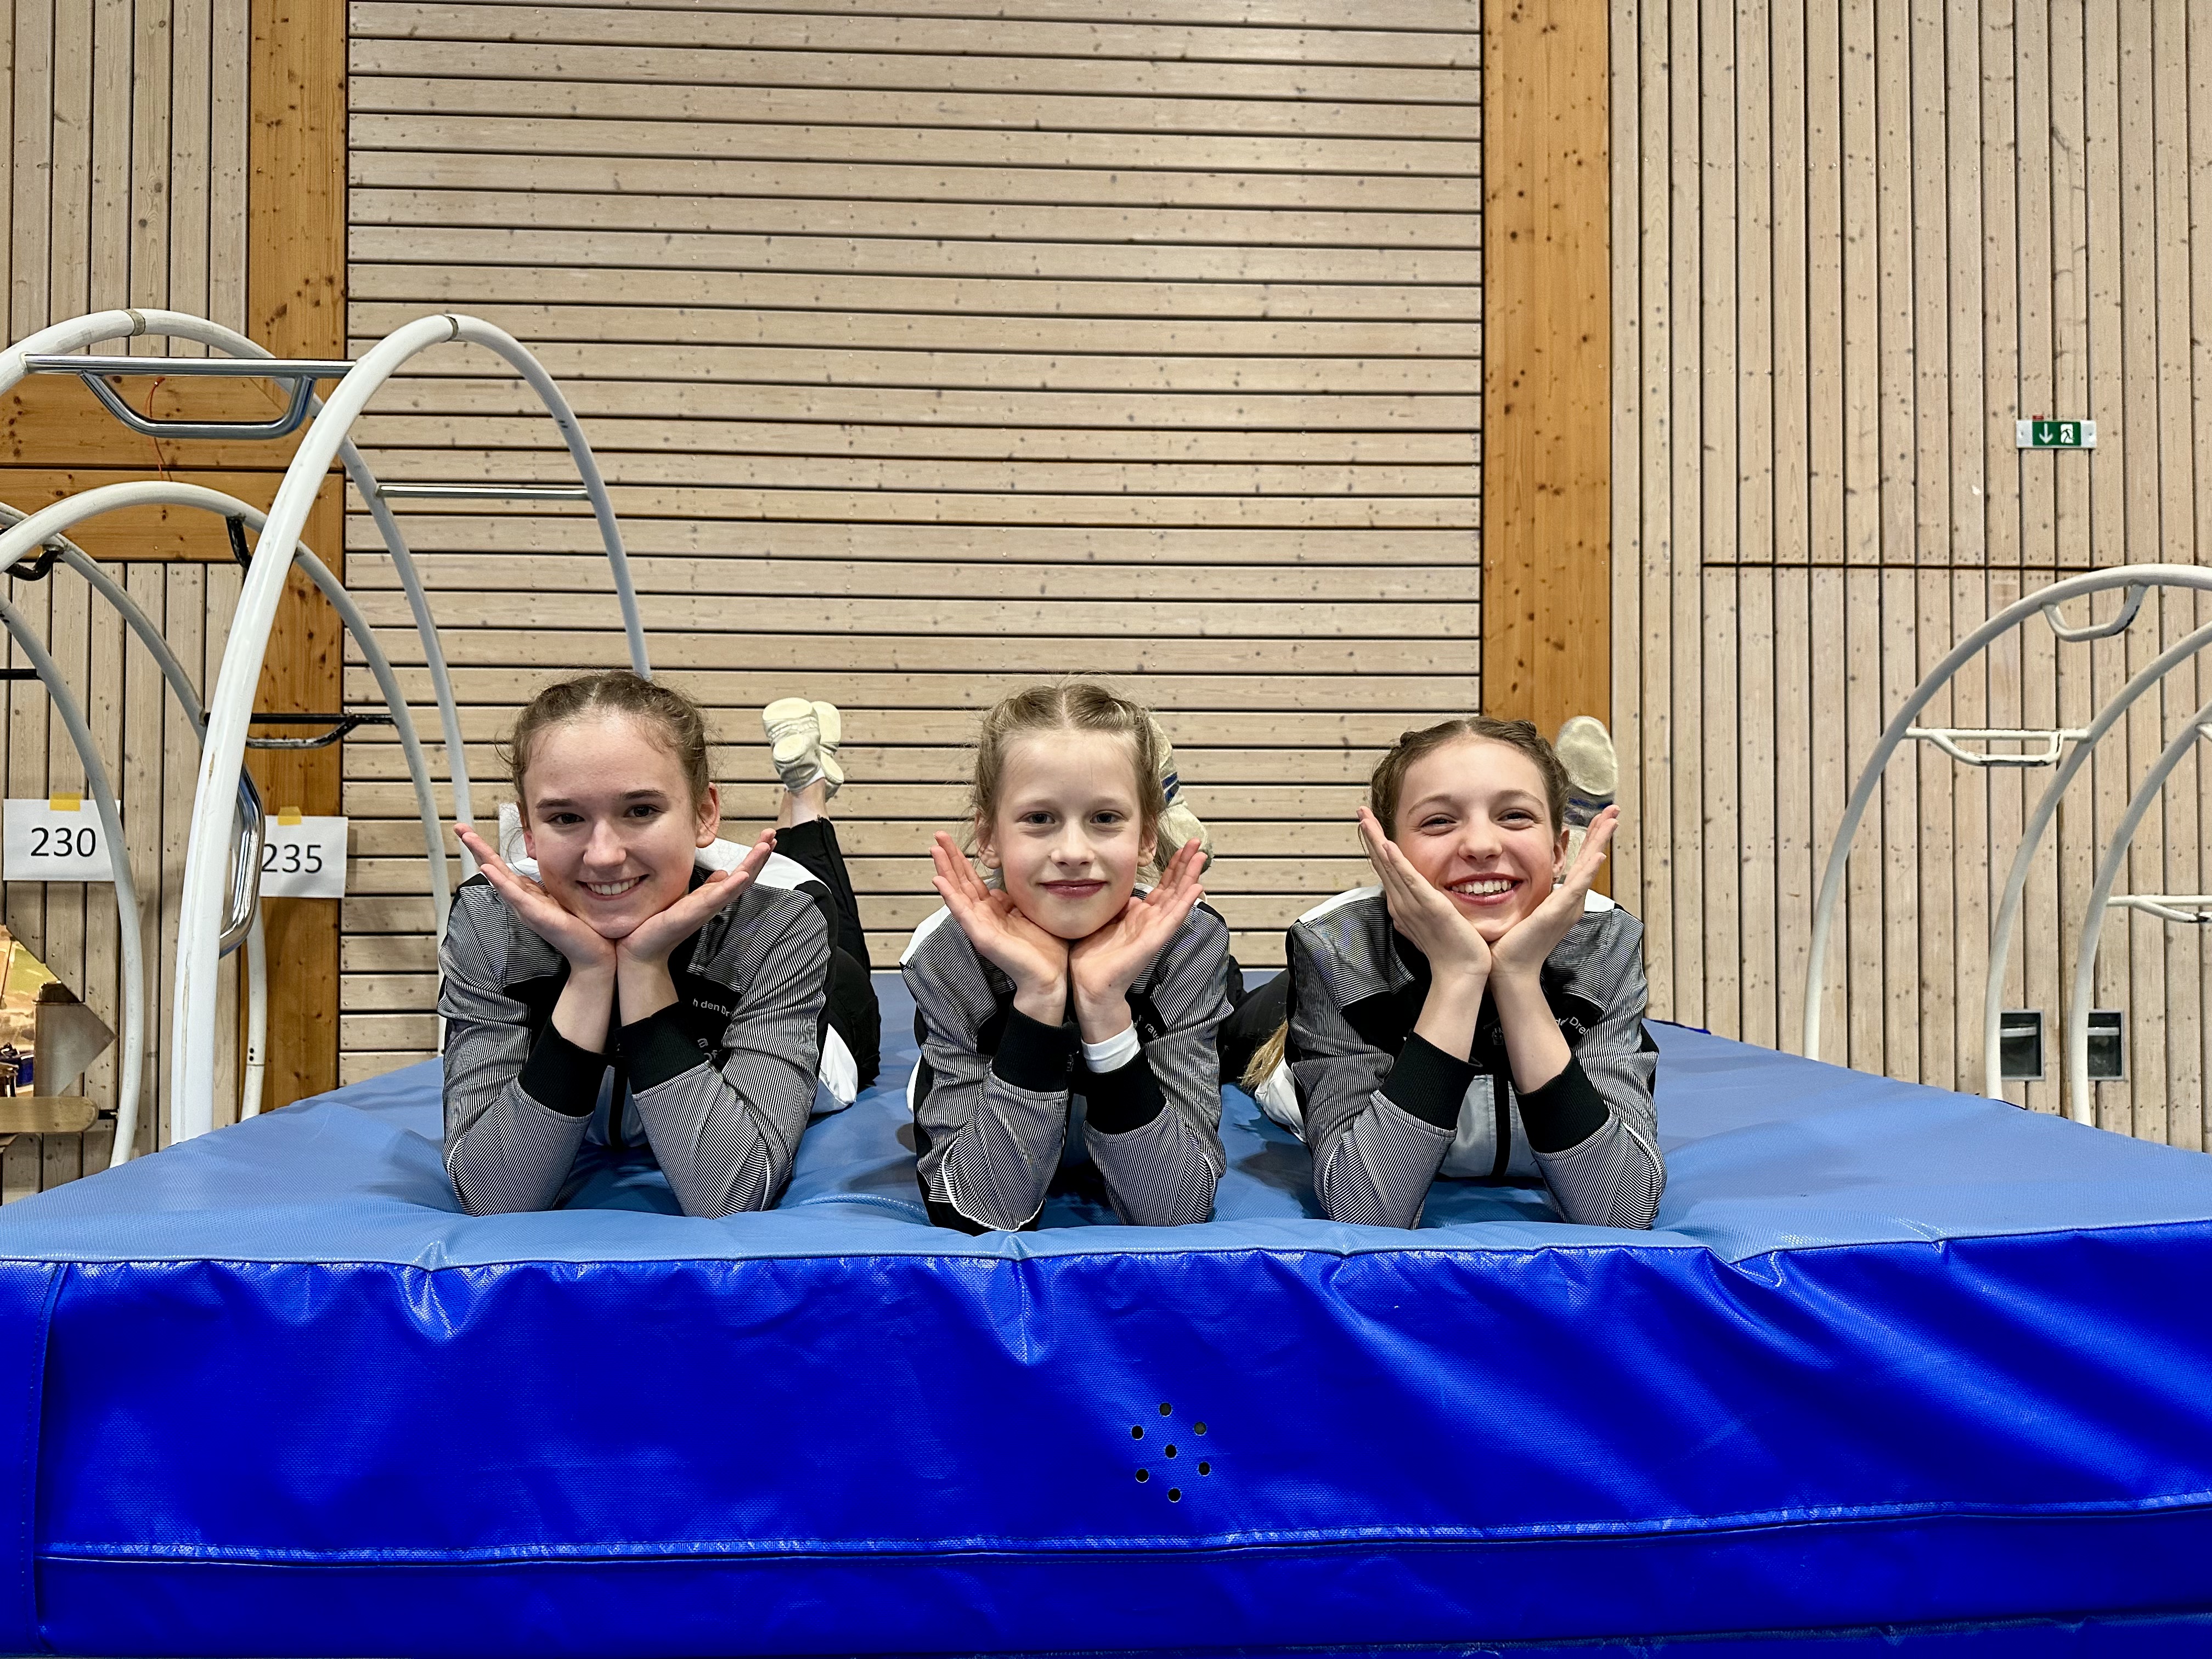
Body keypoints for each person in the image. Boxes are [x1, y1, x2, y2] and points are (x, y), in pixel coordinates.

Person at [1233, 716, 1664, 1231]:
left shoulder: (1603, 940)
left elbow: (1621, 1210)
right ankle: (1169, 828)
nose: (1480, 845)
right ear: (1388, 857)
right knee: (1227, 1017)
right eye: (1439, 821)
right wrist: (1460, 974)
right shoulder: (1337, 948)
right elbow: (1366, 1210)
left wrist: (1517, 979)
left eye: (1515, 816)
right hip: (1283, 1022)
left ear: (1557, 852)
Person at [441, 671, 838, 1218]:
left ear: (704, 814)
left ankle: (808, 795)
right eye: (566, 818)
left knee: (812, 874)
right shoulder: (491, 920)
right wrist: (590, 973)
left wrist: (644, 968)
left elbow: (729, 1195)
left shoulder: (780, 917)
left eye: (641, 810)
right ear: (528, 832)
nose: (604, 855)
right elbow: (494, 1196)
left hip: (821, 1011)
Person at [900, 682, 1233, 1233]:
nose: (1074, 853)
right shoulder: (946, 955)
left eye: (1105, 818)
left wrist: (1104, 1007)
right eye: (1039, 819)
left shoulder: (1190, 942)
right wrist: (1039, 998)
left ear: (1147, 839)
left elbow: (1176, 1211)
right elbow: (980, 1216)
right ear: (989, 837)